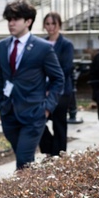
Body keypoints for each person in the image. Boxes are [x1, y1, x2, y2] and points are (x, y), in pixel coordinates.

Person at [0, 0, 65, 169]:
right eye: (9, 19)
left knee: (24, 160)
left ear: (28, 21)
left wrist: (47, 108)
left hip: (34, 113)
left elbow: (58, 79)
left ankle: (23, 194)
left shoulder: (43, 48)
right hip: (8, 112)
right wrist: (0, 102)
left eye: (16, 19)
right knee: (23, 157)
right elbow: (0, 77)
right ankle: (31, 189)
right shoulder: (2, 46)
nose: (11, 23)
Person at [39, 12, 74, 155]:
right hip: (42, 90)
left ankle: (59, 154)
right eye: (47, 24)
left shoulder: (66, 45)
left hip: (61, 91)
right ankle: (50, 150)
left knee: (59, 123)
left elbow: (65, 69)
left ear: (59, 25)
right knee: (39, 121)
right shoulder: (41, 43)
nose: (50, 27)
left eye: (54, 23)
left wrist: (51, 88)